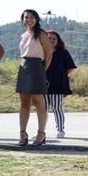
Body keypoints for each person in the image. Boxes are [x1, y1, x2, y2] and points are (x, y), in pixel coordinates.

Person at [16, 9, 52, 147]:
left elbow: (49, 55)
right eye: (26, 17)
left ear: (36, 19)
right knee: (24, 102)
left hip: (37, 66)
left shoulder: (41, 34)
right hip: (24, 66)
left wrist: (42, 70)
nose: (29, 19)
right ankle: (22, 134)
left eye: (31, 17)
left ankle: (41, 133)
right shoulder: (24, 35)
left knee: (38, 102)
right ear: (23, 19)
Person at [44, 30, 77, 138]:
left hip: (58, 84)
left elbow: (71, 67)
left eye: (54, 38)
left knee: (57, 107)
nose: (52, 40)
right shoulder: (40, 51)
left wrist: (61, 75)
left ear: (58, 41)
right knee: (43, 108)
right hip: (42, 84)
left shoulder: (63, 52)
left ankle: (60, 129)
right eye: (49, 38)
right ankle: (41, 131)